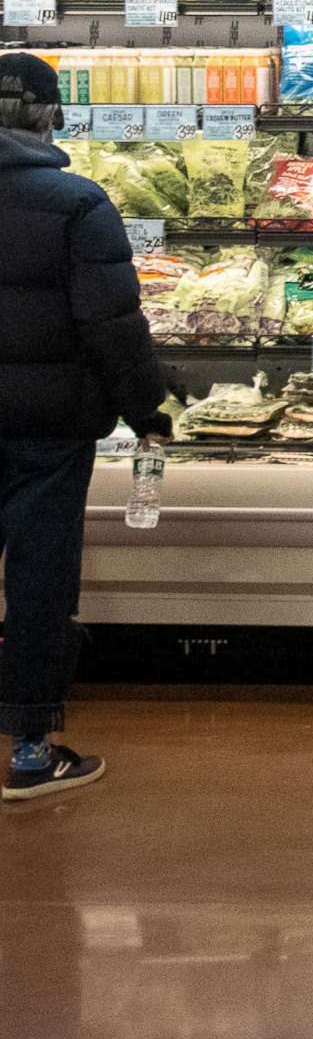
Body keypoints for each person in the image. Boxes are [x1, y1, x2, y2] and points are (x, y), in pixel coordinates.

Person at [0, 54, 171, 800]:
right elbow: (112, 325)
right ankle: (32, 748)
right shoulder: (76, 202)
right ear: (49, 114)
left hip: (43, 422)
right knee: (39, 577)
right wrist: (147, 411)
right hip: (48, 427)